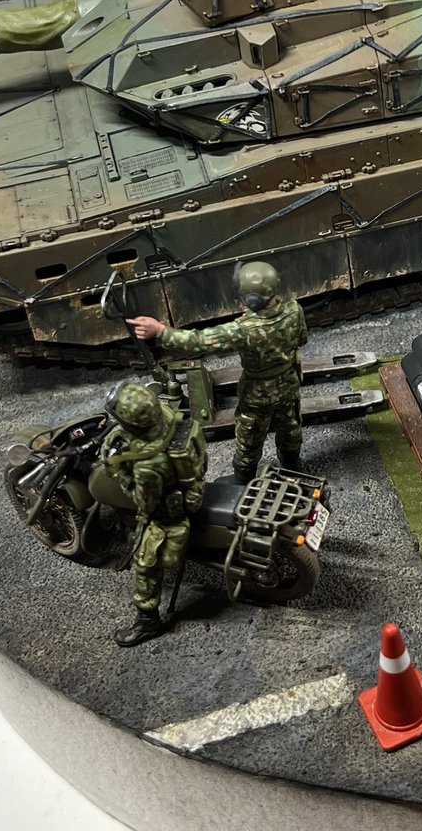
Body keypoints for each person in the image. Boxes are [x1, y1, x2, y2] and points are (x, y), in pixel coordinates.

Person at [127, 261, 307, 483]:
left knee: (249, 434)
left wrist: (160, 331)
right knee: (290, 427)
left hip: (256, 393)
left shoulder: (242, 330)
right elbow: (301, 339)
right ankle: (293, 468)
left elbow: (199, 341)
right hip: (288, 383)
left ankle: (243, 478)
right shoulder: (295, 310)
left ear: (249, 300)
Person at [103, 382, 207, 646]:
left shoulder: (148, 466)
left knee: (145, 562)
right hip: (192, 483)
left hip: (168, 514)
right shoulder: (165, 415)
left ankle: (147, 621)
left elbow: (144, 503)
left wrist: (119, 472)